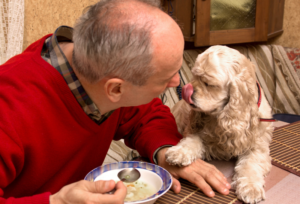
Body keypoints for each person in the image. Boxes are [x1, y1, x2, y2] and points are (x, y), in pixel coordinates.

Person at [0, 0, 230, 203]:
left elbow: (146, 115)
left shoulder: (99, 71)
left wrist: (166, 151)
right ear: (116, 89)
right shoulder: (9, 110)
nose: (177, 81)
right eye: (166, 77)